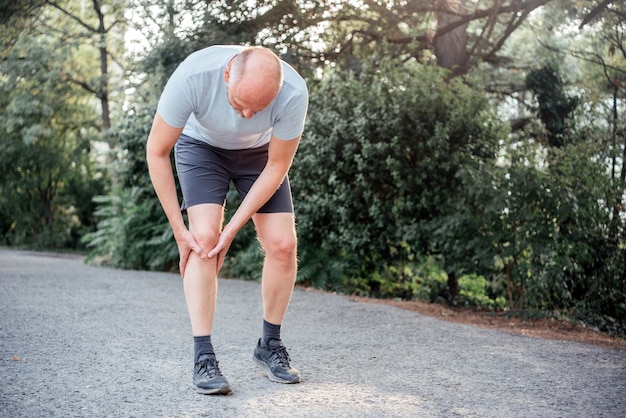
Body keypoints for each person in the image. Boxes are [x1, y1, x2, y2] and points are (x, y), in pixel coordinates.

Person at [146, 45, 308, 395]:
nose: (248, 115)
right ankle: (203, 355)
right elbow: (157, 151)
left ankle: (270, 344)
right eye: (239, 104)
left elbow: (277, 166)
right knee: (204, 239)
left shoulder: (294, 93)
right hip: (201, 147)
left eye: (259, 107)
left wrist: (233, 228)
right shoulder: (193, 76)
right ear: (226, 75)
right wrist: (179, 229)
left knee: (283, 244)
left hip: (261, 158)